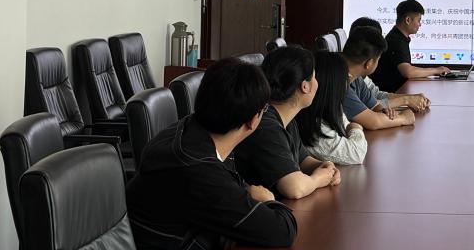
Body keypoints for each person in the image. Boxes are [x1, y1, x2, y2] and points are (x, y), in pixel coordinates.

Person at [126, 58, 298, 249]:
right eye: (264, 109)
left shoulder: (190, 128)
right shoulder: (198, 167)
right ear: (253, 120)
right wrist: (269, 201)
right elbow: (282, 232)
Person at [234, 46, 342, 199]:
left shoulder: (285, 117)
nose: (317, 83)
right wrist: (318, 179)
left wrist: (324, 166)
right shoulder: (265, 125)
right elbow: (294, 188)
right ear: (305, 86)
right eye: (314, 77)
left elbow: (302, 159)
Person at [297, 51, 368, 165]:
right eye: (345, 77)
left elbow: (345, 124)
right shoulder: (314, 128)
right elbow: (356, 153)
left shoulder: (332, 109)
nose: (349, 78)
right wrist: (356, 129)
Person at [343, 26, 419, 130]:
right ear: (369, 63)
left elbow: (375, 106)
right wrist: (404, 118)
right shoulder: (339, 81)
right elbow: (374, 122)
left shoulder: (356, 78)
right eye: (378, 59)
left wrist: (385, 111)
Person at [350, 16, 431, 111]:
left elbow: (376, 95)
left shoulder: (359, 77)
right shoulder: (348, 79)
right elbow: (370, 108)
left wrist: (411, 98)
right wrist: (406, 101)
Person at [370, 0, 450, 92]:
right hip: (390, 94)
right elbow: (408, 72)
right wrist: (437, 70)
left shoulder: (399, 37)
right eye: (418, 20)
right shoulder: (395, 40)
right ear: (407, 20)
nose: (420, 24)